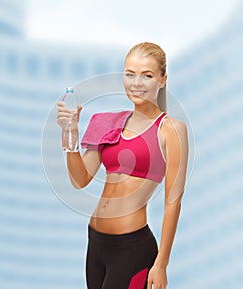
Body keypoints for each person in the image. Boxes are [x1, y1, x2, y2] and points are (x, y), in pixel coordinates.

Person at [57, 42, 189, 289]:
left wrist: (161, 264)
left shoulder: (171, 129)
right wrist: (70, 135)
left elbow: (173, 201)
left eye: (146, 75)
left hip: (132, 249)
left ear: (162, 79)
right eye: (130, 74)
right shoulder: (106, 121)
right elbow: (80, 179)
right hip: (95, 243)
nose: (136, 83)